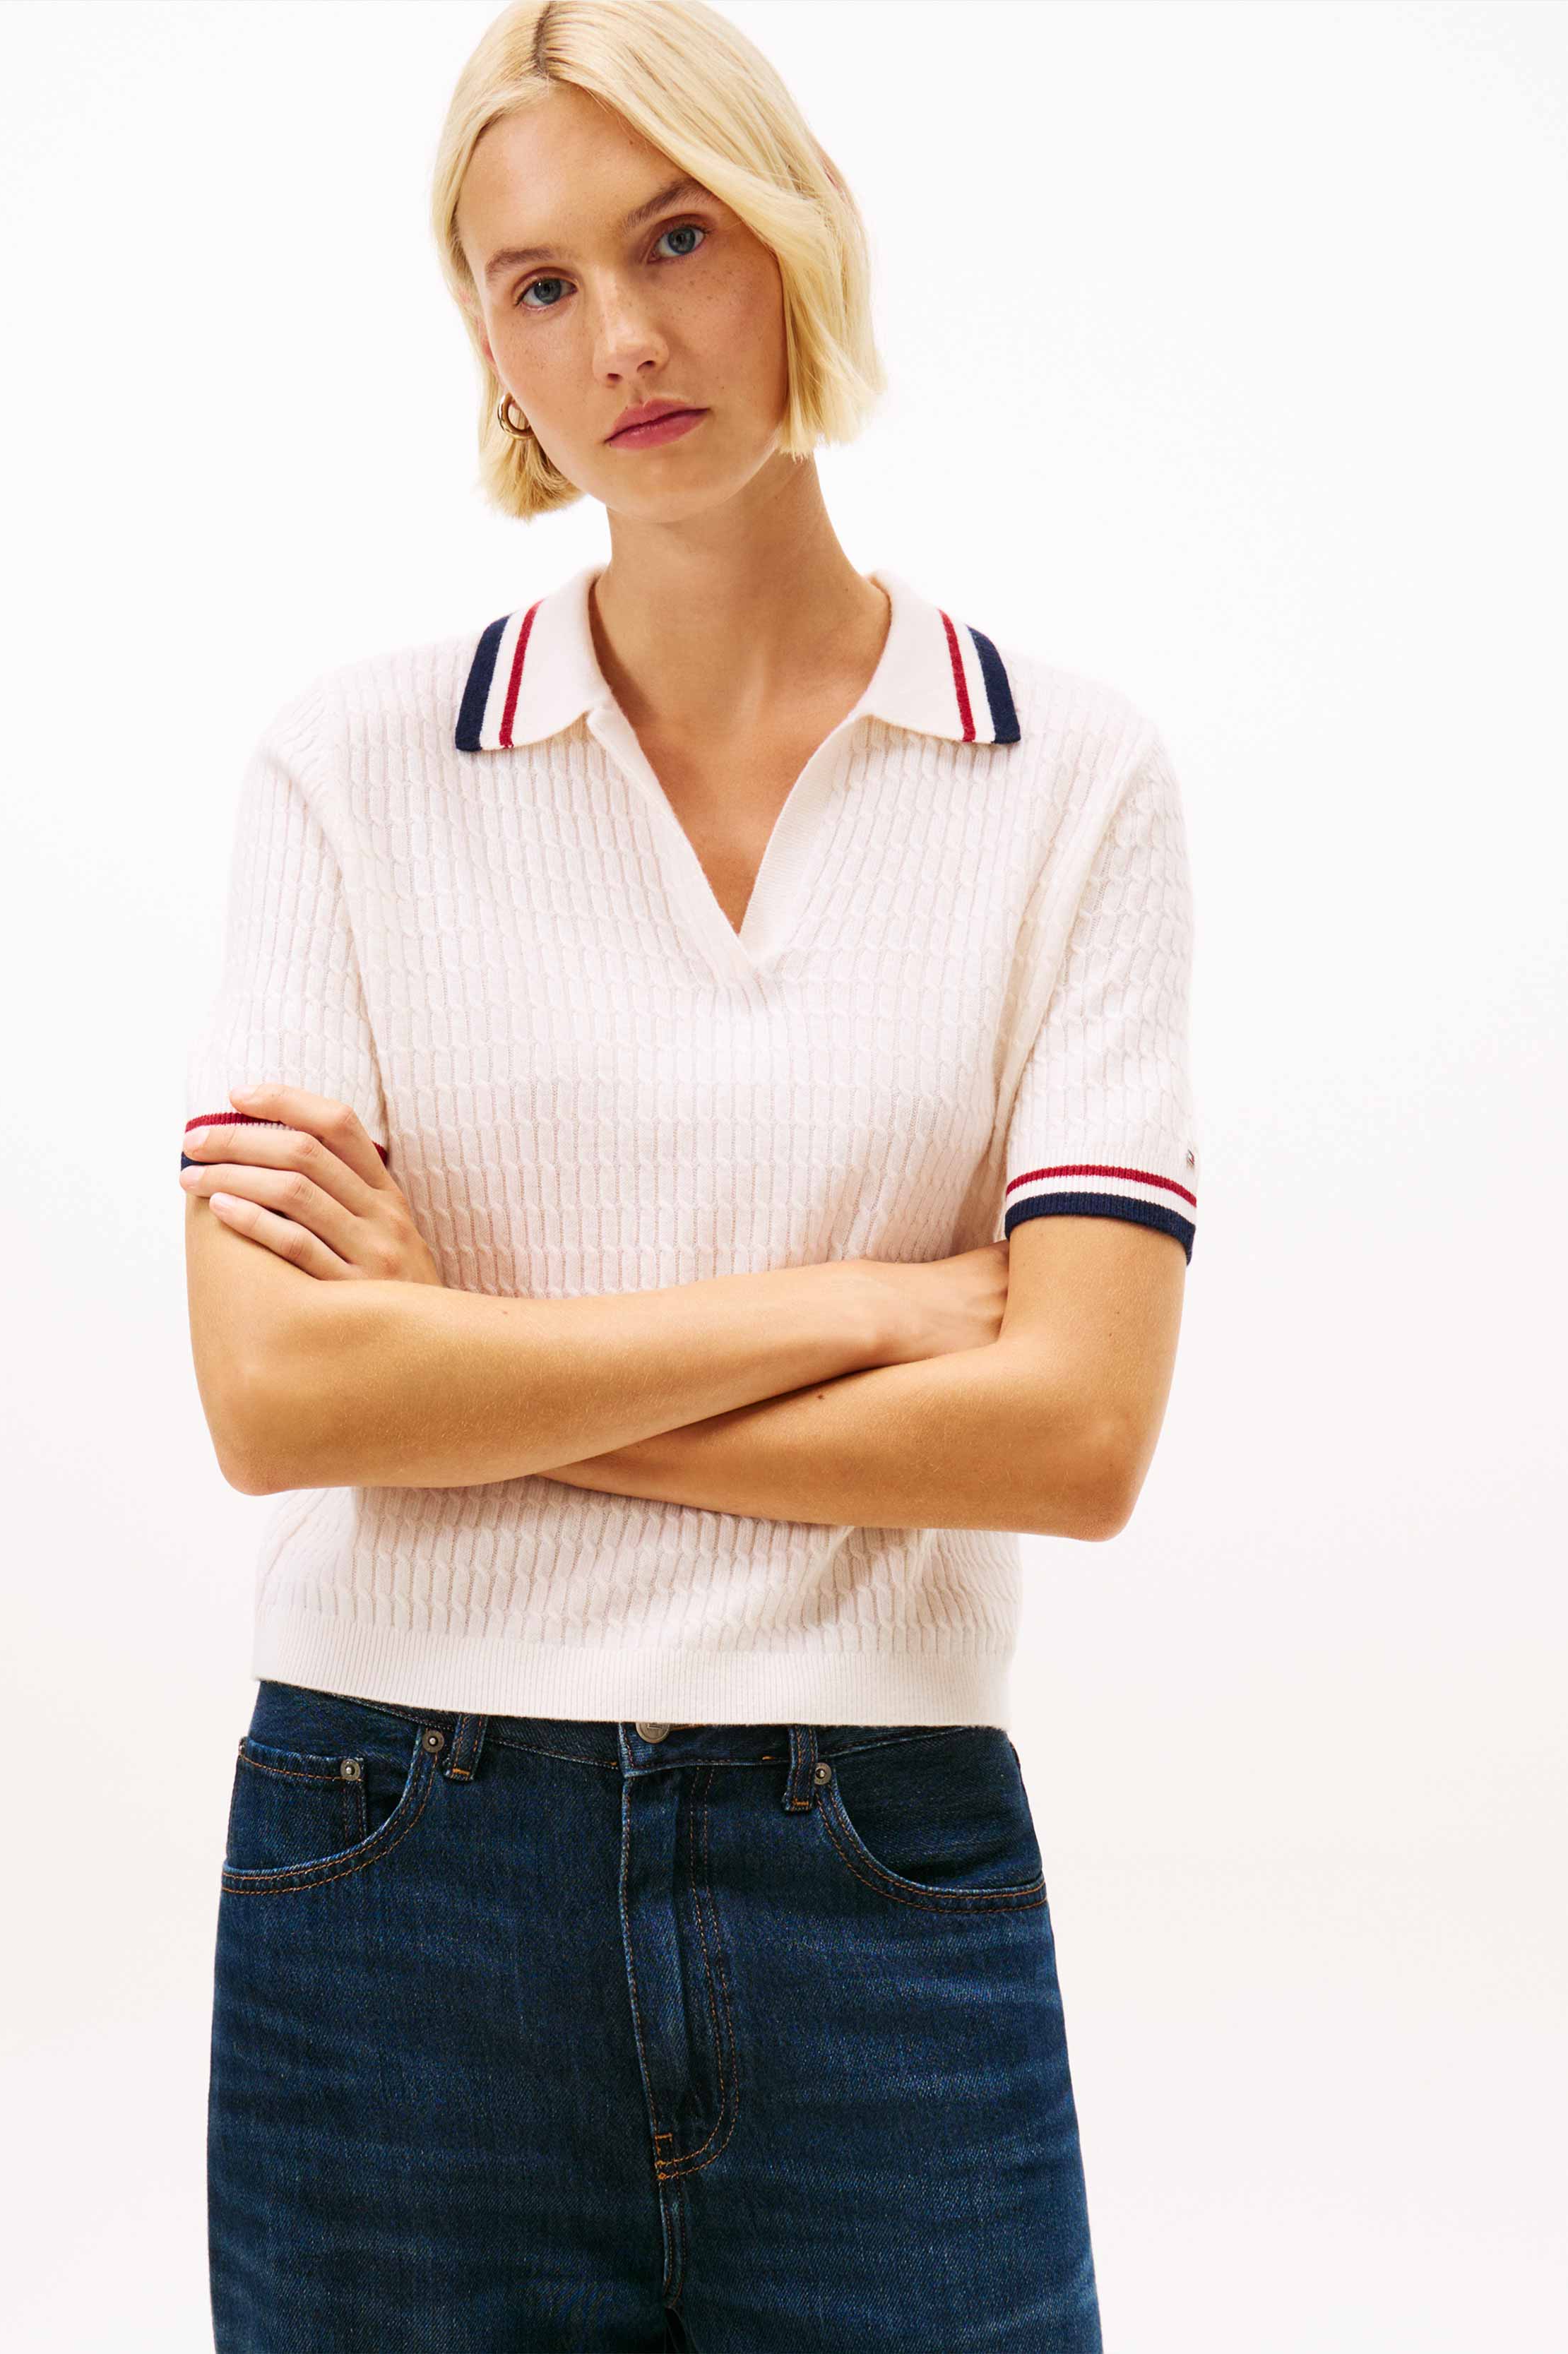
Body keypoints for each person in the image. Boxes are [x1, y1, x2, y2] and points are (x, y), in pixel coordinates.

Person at [178, 2, 1199, 2345]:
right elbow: (279, 1403)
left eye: (676, 239)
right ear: (486, 343)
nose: (620, 336)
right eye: (537, 283)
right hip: (394, 1857)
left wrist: (467, 1369)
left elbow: (1068, 1436)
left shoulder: (1068, 783)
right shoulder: (348, 773)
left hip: (880, 1856)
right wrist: (863, 1306)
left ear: (797, 238)